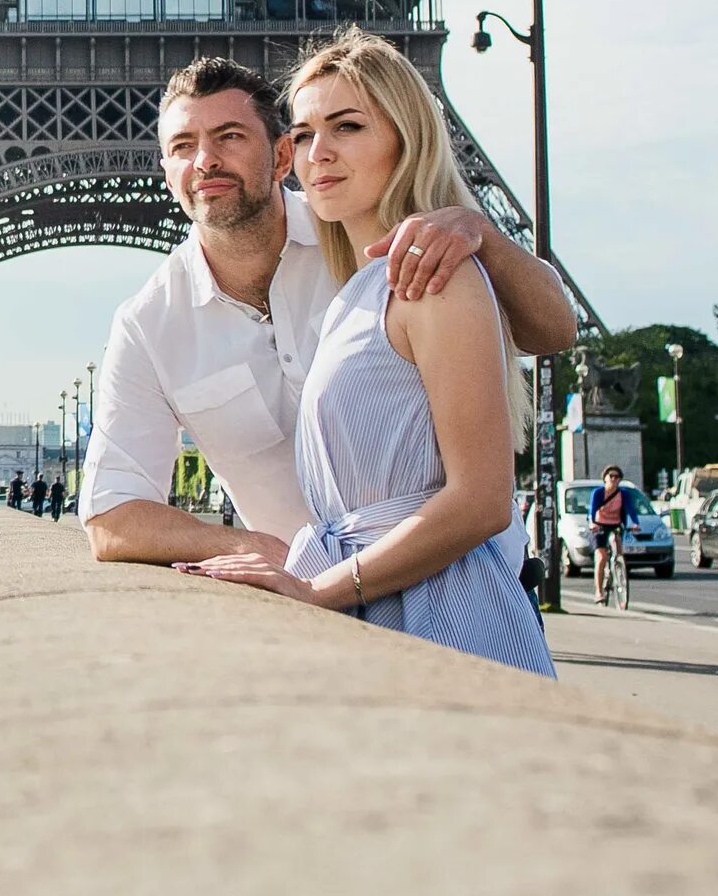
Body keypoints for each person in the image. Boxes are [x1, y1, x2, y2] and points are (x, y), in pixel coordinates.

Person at [81, 56, 577, 568]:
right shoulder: (148, 325)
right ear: (165, 170)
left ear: (279, 157)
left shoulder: (367, 235)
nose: (205, 160)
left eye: (229, 136)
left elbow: (555, 333)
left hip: (461, 584)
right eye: (182, 147)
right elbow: (111, 517)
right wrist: (260, 550)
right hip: (317, 607)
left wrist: (484, 237)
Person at [191, 31, 554, 675]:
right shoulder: (362, 292)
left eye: (347, 126)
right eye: (301, 135)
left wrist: (316, 590)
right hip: (391, 595)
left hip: (439, 609)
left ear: (405, 138)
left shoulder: (431, 280)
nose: (318, 152)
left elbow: (480, 501)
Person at [589, 466, 630, 604]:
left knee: (617, 546)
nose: (613, 479)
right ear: (605, 478)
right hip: (599, 525)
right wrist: (592, 523)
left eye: (617, 477)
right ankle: (599, 591)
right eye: (611, 476)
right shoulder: (598, 493)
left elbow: (631, 511)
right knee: (601, 558)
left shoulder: (622, 494)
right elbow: (592, 511)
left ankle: (618, 565)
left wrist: (635, 524)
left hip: (615, 525)